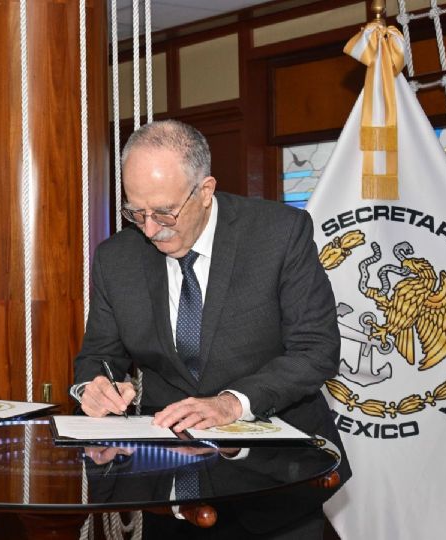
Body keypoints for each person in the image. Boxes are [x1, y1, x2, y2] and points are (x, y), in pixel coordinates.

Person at [71, 120, 351, 536]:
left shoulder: (279, 234)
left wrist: (231, 404)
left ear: (205, 191)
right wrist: (94, 388)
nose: (150, 229)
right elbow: (97, 356)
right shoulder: (117, 258)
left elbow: (316, 350)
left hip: (276, 484)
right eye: (136, 212)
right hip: (168, 487)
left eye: (164, 212)